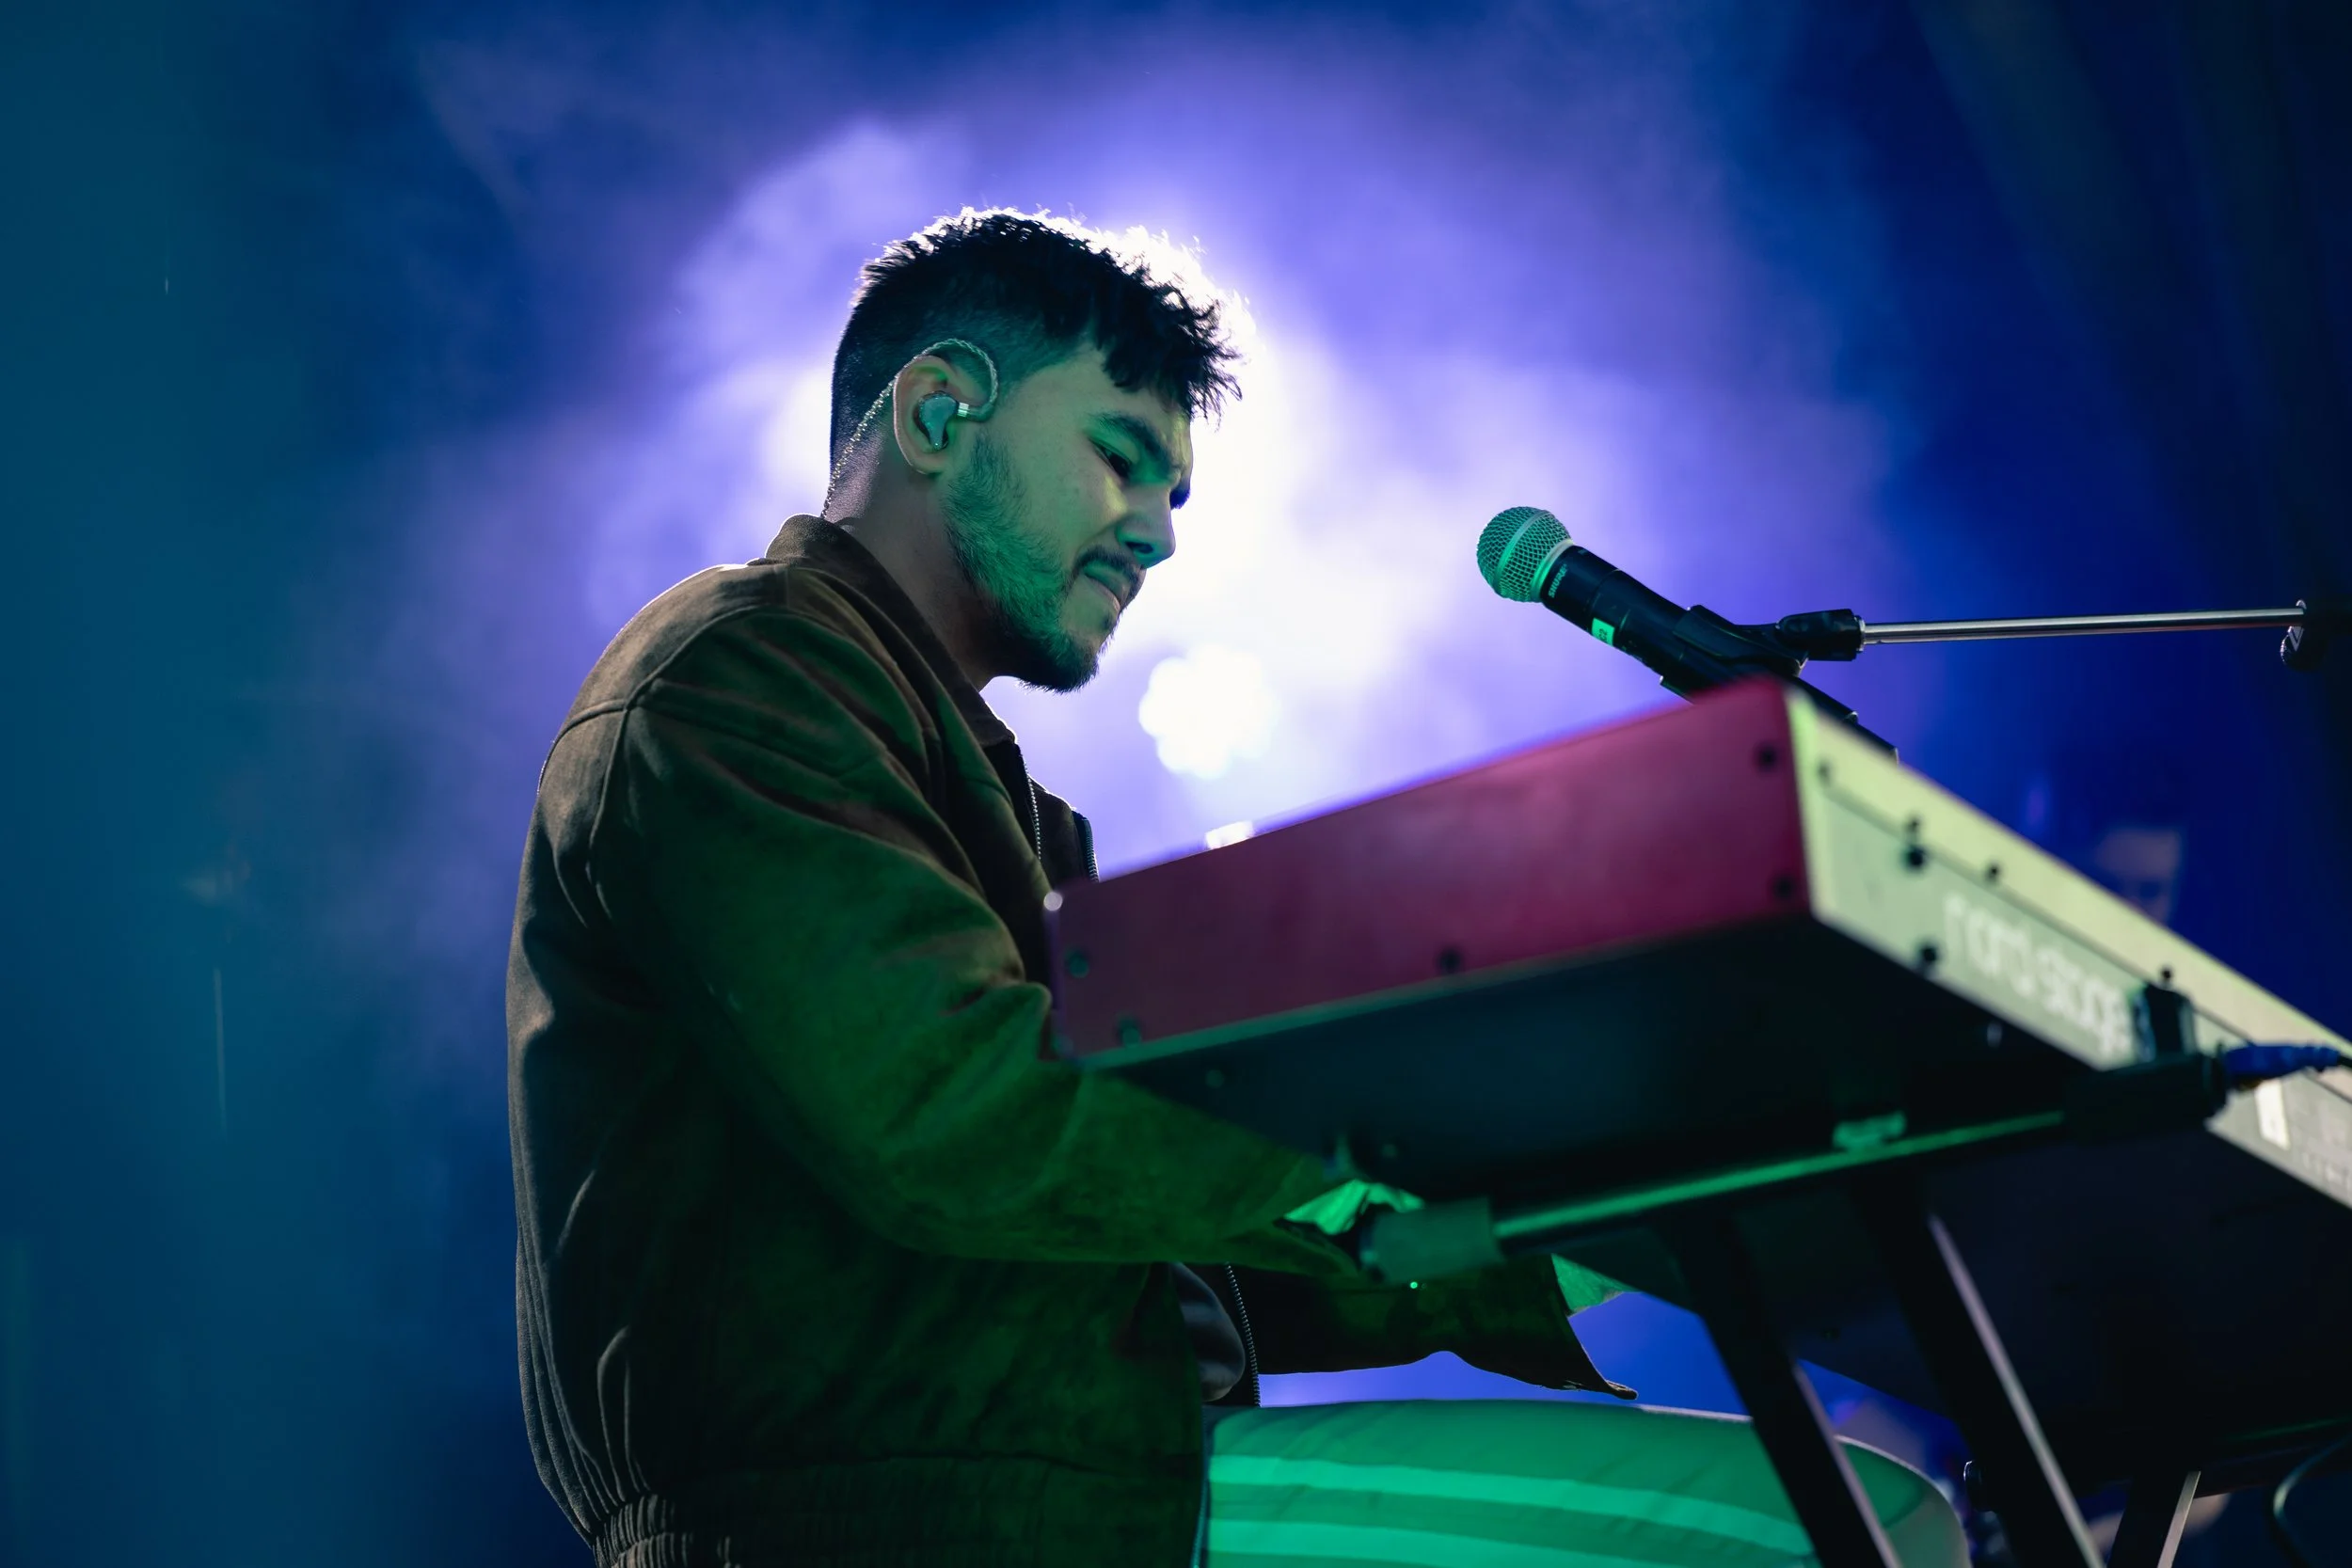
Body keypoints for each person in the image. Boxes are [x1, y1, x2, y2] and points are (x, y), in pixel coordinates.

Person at [507, 209, 1965, 1567]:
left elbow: (1142, 1227)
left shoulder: (1003, 797)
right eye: (1121, 454)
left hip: (1076, 1477)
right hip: (941, 1501)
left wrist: (1538, 1212)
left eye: (1175, 487)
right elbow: (950, 1112)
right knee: (1867, 1522)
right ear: (940, 409)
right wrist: (1392, 1118)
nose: (1158, 529)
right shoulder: (733, 674)